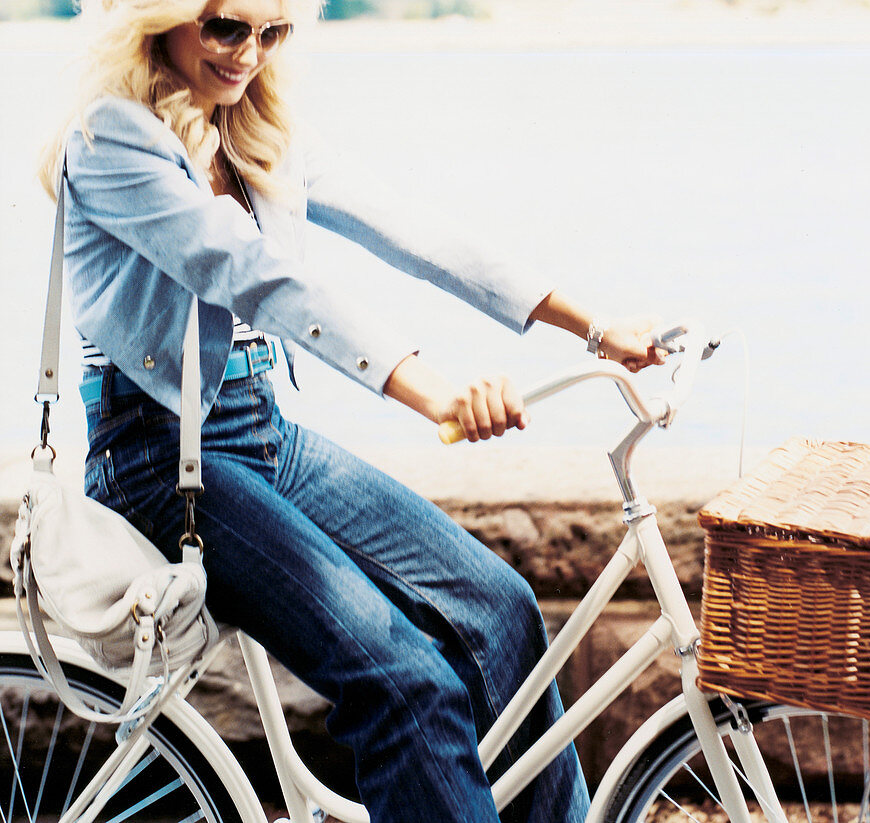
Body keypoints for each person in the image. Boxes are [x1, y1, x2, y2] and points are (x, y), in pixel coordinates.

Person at [39, 0, 666, 821]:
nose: (249, 55)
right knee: (405, 681)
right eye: (229, 28)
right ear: (167, 16)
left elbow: (412, 229)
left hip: (261, 435)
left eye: (273, 33)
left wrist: (591, 325)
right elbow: (257, 276)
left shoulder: (253, 130)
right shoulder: (110, 139)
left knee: (503, 609)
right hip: (160, 459)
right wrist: (430, 389)